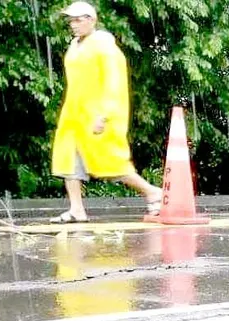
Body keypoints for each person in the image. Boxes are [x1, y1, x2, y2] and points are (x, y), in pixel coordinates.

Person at [50, 2, 162, 223]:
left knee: (110, 163)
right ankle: (76, 209)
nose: (73, 24)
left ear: (92, 20)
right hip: (74, 115)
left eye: (78, 19)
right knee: (68, 161)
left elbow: (114, 83)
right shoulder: (74, 45)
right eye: (71, 20)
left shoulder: (104, 46)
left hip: (97, 115)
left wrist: (104, 114)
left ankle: (152, 192)